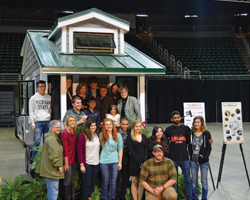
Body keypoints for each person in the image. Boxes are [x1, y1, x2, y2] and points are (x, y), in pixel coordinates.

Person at [164, 111, 192, 200]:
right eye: (174, 118)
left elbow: (192, 140)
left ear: (180, 118)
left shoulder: (186, 129)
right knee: (173, 181)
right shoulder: (168, 130)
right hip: (173, 158)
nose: (176, 119)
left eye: (178, 117)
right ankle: (174, 197)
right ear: (171, 119)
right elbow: (162, 140)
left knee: (188, 180)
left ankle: (189, 197)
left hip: (184, 157)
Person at [38, 120, 64, 200]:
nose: (58, 129)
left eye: (59, 127)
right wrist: (59, 166)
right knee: (53, 192)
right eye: (56, 127)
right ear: (51, 128)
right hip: (52, 169)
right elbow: (53, 155)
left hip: (49, 169)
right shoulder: (52, 139)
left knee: (51, 192)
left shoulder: (51, 137)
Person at [99, 118, 123, 200]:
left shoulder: (118, 135)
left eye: (110, 124)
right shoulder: (101, 135)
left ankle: (112, 197)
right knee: (105, 182)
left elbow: (120, 149)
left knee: (113, 182)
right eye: (107, 125)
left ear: (113, 125)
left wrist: (120, 162)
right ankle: (104, 197)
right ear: (104, 126)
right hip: (103, 161)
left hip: (115, 161)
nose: (109, 126)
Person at [190, 116, 212, 200]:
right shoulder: (191, 133)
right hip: (193, 160)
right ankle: (195, 198)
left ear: (202, 123)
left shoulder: (206, 133)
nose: (196, 124)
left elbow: (209, 148)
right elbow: (189, 146)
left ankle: (204, 198)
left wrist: (205, 157)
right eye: (195, 122)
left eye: (198, 122)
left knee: (204, 182)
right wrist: (191, 155)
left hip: (204, 162)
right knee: (194, 182)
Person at [78, 118, 100, 200]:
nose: (93, 127)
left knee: (92, 182)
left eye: (95, 125)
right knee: (87, 183)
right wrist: (82, 165)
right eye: (91, 126)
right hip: (87, 163)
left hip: (96, 162)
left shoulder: (97, 135)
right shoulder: (83, 136)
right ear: (88, 126)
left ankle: (89, 197)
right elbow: (80, 151)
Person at [29, 80, 51, 161]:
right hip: (38, 122)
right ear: (37, 88)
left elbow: (50, 109)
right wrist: (32, 123)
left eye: (44, 86)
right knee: (37, 142)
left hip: (47, 121)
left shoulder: (49, 97)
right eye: (41, 86)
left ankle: (45, 160)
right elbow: (31, 111)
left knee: (47, 142)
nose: (43, 88)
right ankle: (35, 159)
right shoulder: (33, 98)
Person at [127, 120, 148, 200]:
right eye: (136, 126)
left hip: (144, 162)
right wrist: (139, 163)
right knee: (134, 182)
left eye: (139, 126)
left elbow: (146, 150)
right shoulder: (130, 138)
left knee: (141, 182)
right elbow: (131, 152)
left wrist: (144, 163)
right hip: (134, 162)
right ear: (133, 127)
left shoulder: (144, 136)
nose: (138, 128)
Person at [61, 115, 77, 200]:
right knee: (67, 181)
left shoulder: (73, 131)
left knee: (70, 180)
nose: (72, 122)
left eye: (74, 120)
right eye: (70, 121)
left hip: (72, 159)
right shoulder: (65, 133)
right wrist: (66, 164)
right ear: (67, 122)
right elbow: (65, 149)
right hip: (67, 160)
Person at [116, 118, 130, 200]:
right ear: (120, 124)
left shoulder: (129, 131)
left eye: (126, 124)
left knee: (125, 178)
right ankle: (116, 195)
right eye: (123, 124)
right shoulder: (116, 131)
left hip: (126, 157)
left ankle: (123, 195)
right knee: (117, 178)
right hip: (116, 156)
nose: (125, 126)